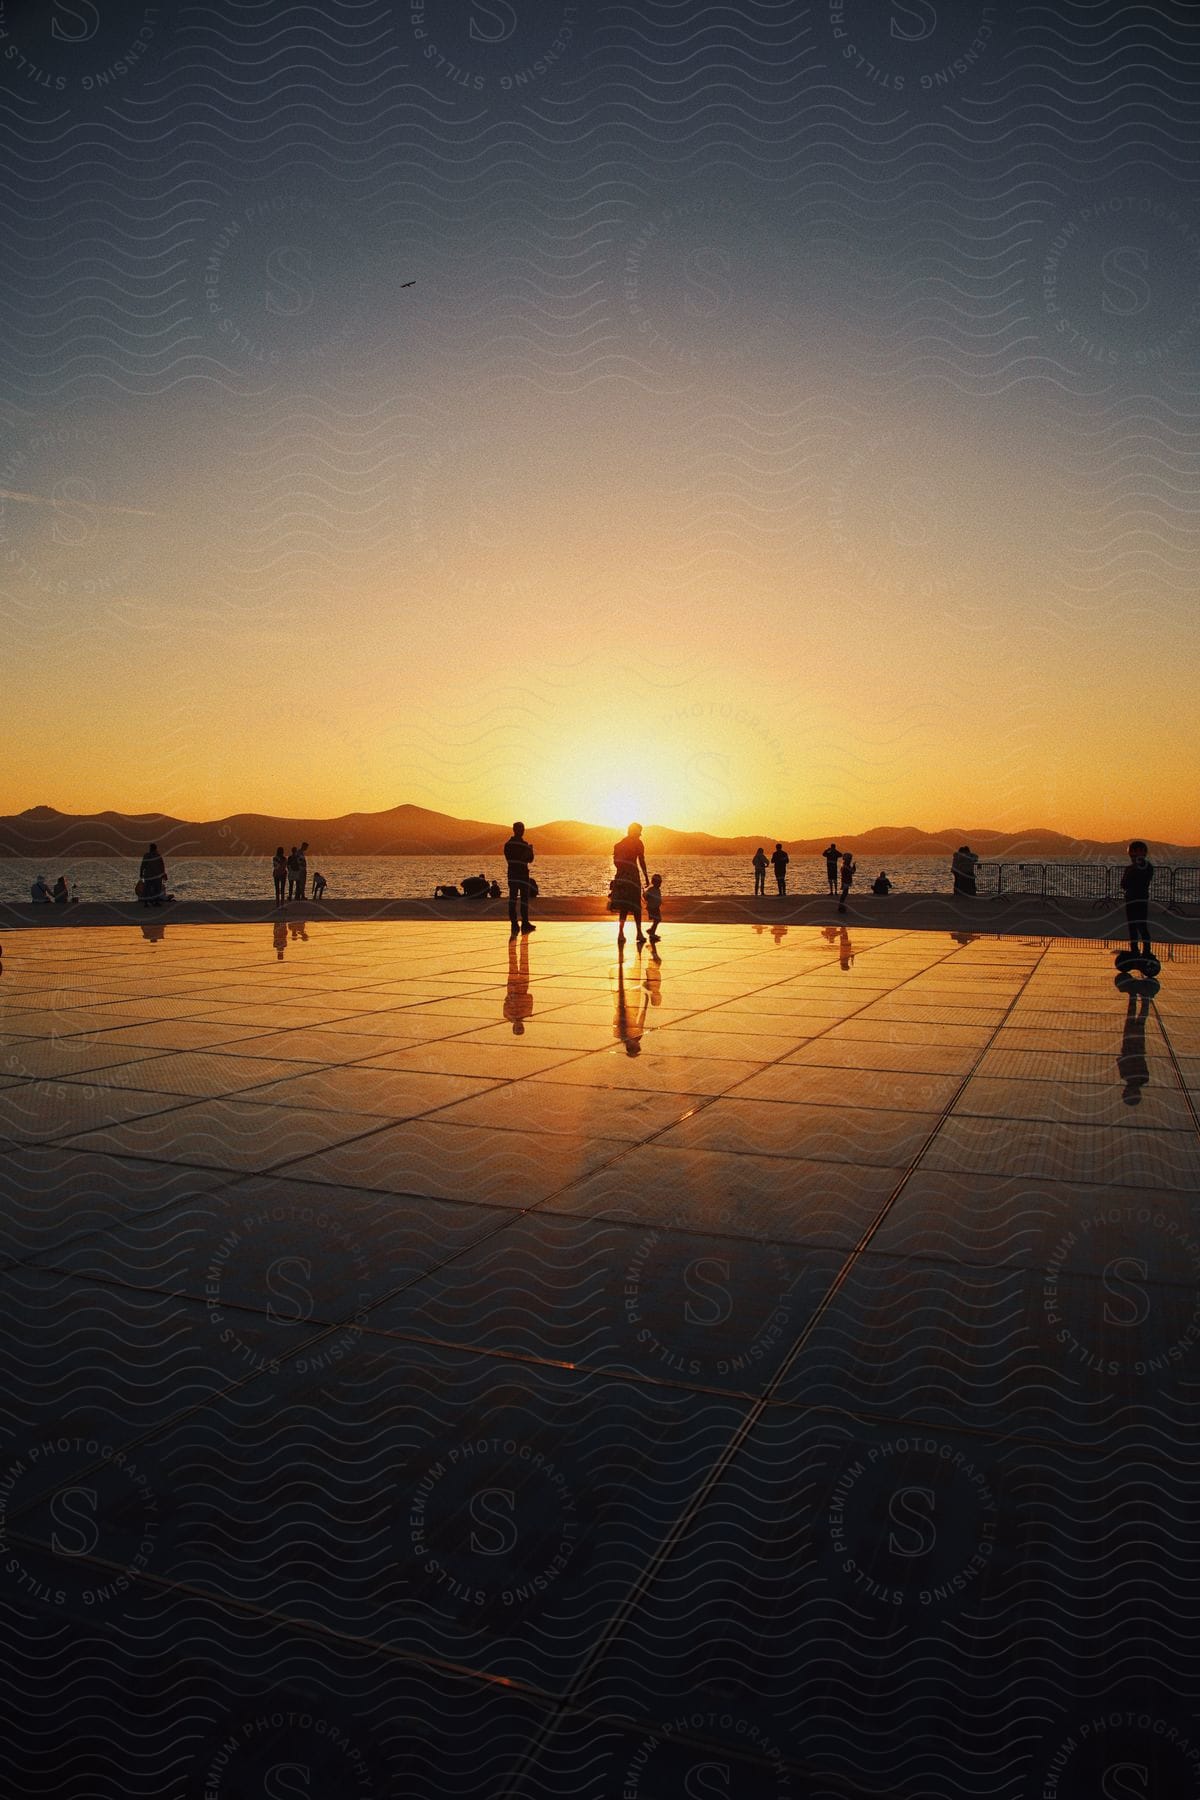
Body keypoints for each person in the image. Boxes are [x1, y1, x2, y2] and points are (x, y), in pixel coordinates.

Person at [610, 823, 648, 948]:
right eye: (639, 832)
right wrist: (646, 876)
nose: (639, 835)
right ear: (636, 832)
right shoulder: (638, 843)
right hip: (632, 876)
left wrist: (622, 871)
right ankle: (639, 933)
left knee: (624, 906)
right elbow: (641, 860)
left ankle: (621, 933)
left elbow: (616, 862)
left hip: (621, 876)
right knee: (636, 905)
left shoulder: (619, 845)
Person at [1117, 979, 1152, 1105]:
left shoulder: (1141, 1078)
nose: (1125, 1090)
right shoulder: (1137, 1078)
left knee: (1136, 1019)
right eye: (1126, 1093)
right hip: (1133, 1048)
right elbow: (1123, 1062)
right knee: (1138, 1019)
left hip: (1132, 1047)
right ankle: (1142, 996)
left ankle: (1139, 996)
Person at [1120, 839, 1155, 961]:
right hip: (1131, 899)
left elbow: (1128, 883)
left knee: (1141, 926)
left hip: (1139, 899)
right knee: (1133, 926)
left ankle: (1146, 951)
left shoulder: (1144, 867)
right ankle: (1135, 950)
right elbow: (1124, 884)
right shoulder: (1132, 868)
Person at [504, 820, 536, 936]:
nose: (522, 831)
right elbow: (513, 860)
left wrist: (529, 851)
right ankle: (514, 923)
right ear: (515, 830)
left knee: (524, 899)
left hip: (522, 874)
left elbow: (530, 859)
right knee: (513, 899)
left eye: (523, 829)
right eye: (520, 829)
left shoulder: (524, 844)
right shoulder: (509, 845)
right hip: (515, 874)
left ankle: (525, 922)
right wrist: (526, 853)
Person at [504, 932, 534, 1034]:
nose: (519, 1026)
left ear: (514, 1027)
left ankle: (513, 939)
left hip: (513, 986)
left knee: (513, 960)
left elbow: (506, 1001)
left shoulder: (508, 1015)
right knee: (524, 959)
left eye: (518, 1028)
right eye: (521, 1028)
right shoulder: (526, 1013)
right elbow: (530, 997)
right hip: (523, 986)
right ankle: (524, 938)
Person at [645, 872, 664, 944]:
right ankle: (652, 932)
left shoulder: (657, 890)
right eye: (658, 882)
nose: (659, 884)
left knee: (657, 920)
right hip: (652, 908)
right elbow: (646, 897)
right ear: (654, 882)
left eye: (660, 882)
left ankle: (652, 931)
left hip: (656, 907)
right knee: (657, 919)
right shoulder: (651, 890)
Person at [837, 850, 856, 914]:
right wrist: (854, 866)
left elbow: (852, 871)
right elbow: (852, 872)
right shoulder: (846, 866)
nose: (850, 860)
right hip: (846, 881)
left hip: (845, 881)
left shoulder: (845, 865)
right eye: (850, 859)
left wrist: (853, 866)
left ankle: (841, 904)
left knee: (845, 893)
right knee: (844, 893)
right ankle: (841, 905)